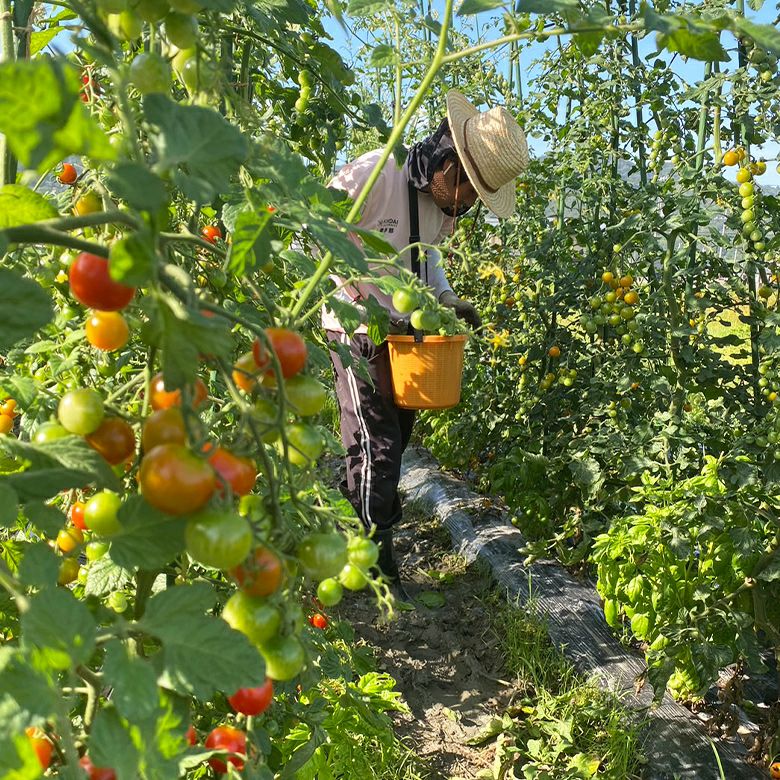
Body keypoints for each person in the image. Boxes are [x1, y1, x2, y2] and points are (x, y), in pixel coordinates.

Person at [323, 89, 529, 590]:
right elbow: (317, 233)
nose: (465, 205)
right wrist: (362, 297)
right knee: (377, 444)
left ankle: (370, 530)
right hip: (354, 331)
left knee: (398, 439)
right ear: (446, 163)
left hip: (406, 341)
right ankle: (371, 556)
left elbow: (427, 259)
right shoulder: (374, 174)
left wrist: (448, 299)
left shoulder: (443, 209)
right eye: (468, 190)